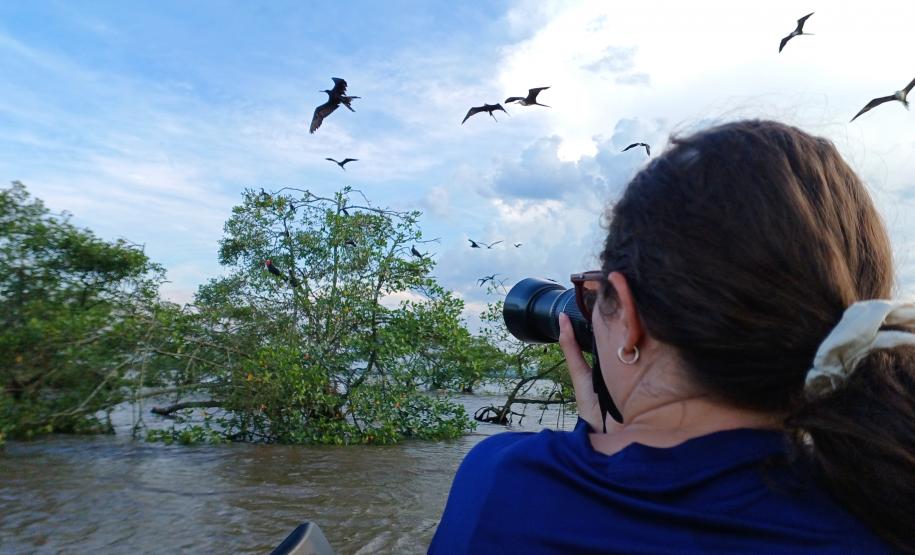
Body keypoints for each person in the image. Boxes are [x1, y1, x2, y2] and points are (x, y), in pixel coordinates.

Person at [429, 120, 914, 554]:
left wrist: (598, 449)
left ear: (629, 316)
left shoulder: (504, 484)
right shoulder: (883, 504)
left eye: (592, 299)